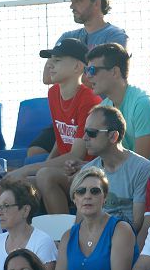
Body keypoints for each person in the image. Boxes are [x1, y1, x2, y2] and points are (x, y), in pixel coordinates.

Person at [41, 105, 150, 226]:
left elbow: (137, 224)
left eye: (91, 133)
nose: (84, 138)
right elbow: (80, 224)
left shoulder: (142, 169)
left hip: (123, 240)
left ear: (113, 136)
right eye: (85, 132)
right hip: (93, 239)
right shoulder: (88, 171)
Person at [6, 38, 100, 177]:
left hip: (85, 172)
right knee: (8, 183)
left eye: (57, 60)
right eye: (50, 59)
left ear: (77, 67)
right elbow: (61, 138)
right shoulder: (53, 92)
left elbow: (76, 156)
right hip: (64, 167)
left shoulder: (89, 100)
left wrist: (28, 169)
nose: (50, 65)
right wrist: (45, 164)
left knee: (39, 177)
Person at [81, 43, 150, 164]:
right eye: (86, 70)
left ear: (114, 72)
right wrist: (84, 167)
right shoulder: (105, 107)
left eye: (92, 70)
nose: (87, 77)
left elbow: (140, 166)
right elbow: (114, 160)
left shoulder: (143, 104)